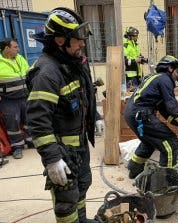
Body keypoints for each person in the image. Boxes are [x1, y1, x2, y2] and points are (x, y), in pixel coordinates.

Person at [26, 8, 98, 223]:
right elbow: (38, 121)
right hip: (62, 151)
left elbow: (85, 95)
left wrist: (97, 118)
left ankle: (82, 220)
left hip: (79, 145)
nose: (82, 44)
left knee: (82, 185)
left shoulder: (72, 63)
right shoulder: (47, 72)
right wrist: (52, 159)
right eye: (77, 40)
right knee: (66, 199)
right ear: (59, 40)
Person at [124, 55, 178, 179]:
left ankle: (134, 169)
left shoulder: (156, 78)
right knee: (170, 142)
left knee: (149, 142)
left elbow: (164, 109)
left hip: (133, 115)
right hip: (141, 115)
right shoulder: (165, 80)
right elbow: (172, 108)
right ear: (170, 68)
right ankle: (164, 180)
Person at [0, 38, 31, 159]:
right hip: (8, 100)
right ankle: (17, 147)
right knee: (12, 123)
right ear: (7, 48)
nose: (18, 49)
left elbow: (28, 72)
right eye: (15, 47)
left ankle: (31, 140)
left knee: (29, 120)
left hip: (24, 96)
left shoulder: (20, 58)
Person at [123, 26, 147, 91]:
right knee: (131, 95)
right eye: (135, 36)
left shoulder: (135, 44)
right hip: (130, 76)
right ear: (129, 36)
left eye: (136, 36)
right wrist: (135, 60)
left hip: (138, 74)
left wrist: (142, 59)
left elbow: (138, 55)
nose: (136, 37)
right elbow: (124, 61)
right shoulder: (125, 45)